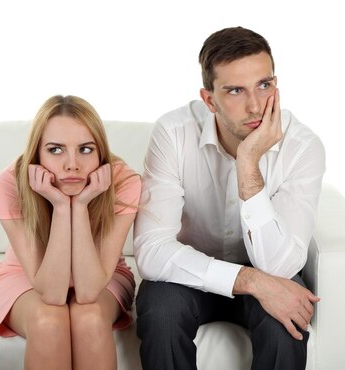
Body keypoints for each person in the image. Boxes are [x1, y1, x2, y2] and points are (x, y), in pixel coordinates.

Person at [133, 26, 325, 370]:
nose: (255, 106)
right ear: (209, 100)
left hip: (266, 267)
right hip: (188, 272)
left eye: (264, 86)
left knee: (287, 322)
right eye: (235, 90)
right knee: (160, 311)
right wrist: (249, 281)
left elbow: (280, 267)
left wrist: (248, 164)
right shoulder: (173, 133)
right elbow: (151, 250)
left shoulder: (303, 147)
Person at [0, 95, 141, 370]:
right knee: (48, 321)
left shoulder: (123, 181)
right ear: (37, 153)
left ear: (100, 152)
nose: (72, 165)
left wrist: (80, 205)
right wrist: (60, 206)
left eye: (85, 149)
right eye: (56, 150)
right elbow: (52, 294)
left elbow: (88, 292)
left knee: (90, 317)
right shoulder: (9, 182)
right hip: (25, 274)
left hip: (103, 274)